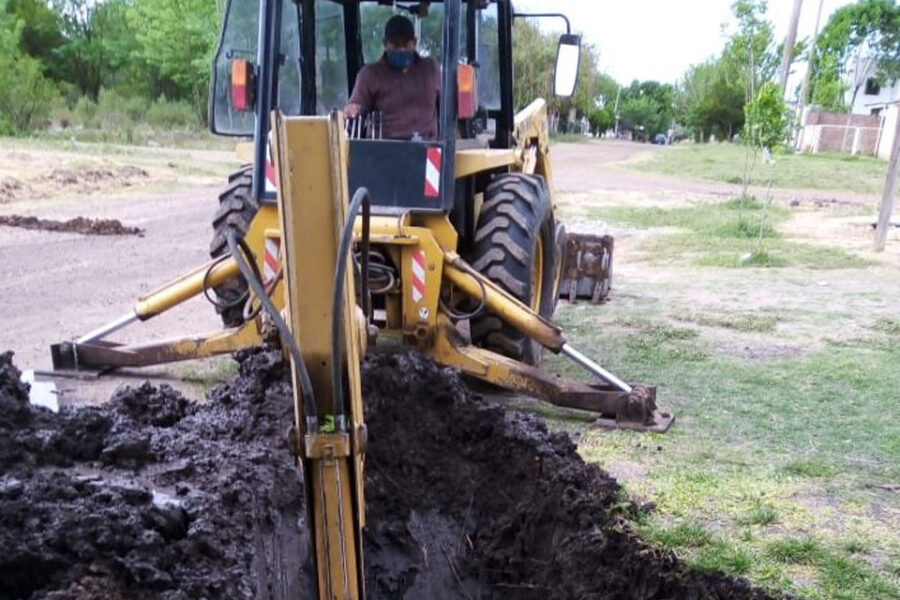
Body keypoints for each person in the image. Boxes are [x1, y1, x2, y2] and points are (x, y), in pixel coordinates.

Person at [344, 15, 441, 140]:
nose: (401, 50)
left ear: (415, 42)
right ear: (385, 44)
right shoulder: (370, 74)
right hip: (384, 151)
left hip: (428, 150)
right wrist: (352, 109)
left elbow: (447, 109)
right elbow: (357, 107)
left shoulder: (430, 69)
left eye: (406, 45)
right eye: (395, 45)